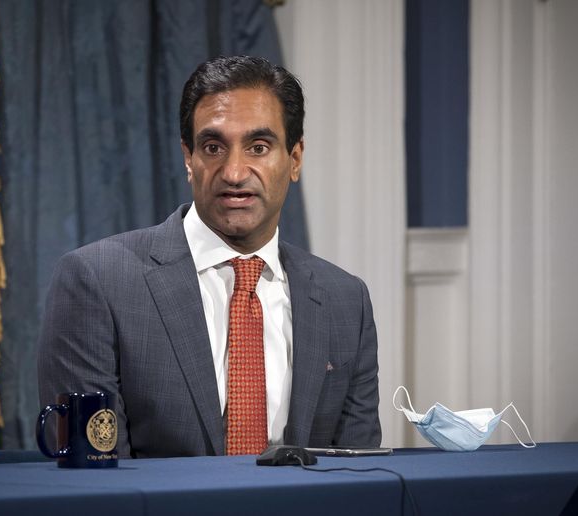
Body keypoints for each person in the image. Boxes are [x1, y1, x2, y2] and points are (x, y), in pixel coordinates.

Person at [37, 55, 381, 458]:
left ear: (295, 158)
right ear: (189, 158)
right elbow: (94, 477)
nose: (234, 172)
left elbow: (359, 475)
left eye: (258, 146)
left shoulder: (346, 301)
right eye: (214, 147)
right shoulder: (96, 281)